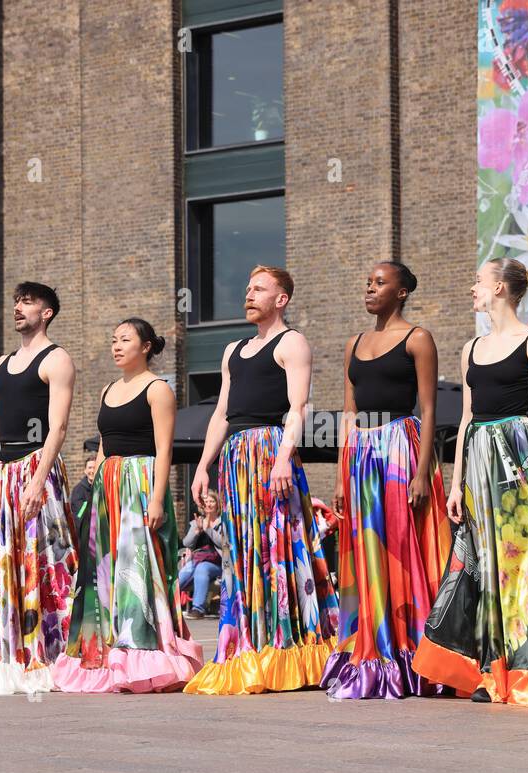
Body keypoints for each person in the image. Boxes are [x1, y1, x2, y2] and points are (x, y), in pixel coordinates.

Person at [412, 258, 528, 706]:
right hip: (479, 462)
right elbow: (467, 419)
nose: (472, 288)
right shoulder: (471, 348)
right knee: (486, 565)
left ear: (501, 289)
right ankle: (493, 671)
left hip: (517, 456)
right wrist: (455, 484)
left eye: (478, 281)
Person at [184, 265, 339, 694]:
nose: (248, 294)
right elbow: (221, 414)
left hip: (273, 452)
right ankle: (249, 644)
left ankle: (291, 647)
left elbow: (299, 406)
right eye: (247, 287)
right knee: (242, 550)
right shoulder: (233, 350)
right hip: (235, 457)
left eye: (259, 289)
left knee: (281, 546)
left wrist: (285, 456)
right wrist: (202, 465)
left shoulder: (292, 343)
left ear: (281, 299)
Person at [51, 318, 203, 693]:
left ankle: (143, 653)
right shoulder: (107, 389)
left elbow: (165, 448)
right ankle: (102, 652)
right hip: (107, 487)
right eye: (113, 339)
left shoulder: (157, 390)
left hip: (140, 482)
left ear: (146, 346)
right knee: (102, 571)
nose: (116, 346)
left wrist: (156, 498)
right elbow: (103, 446)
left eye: (125, 339)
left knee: (137, 569)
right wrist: (94, 489)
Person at [323, 260, 450, 699]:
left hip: (401, 448)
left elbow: (430, 410)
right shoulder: (354, 343)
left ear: (401, 292)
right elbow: (349, 412)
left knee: (403, 548)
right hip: (360, 455)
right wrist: (342, 473)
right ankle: (375, 646)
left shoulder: (418, 339)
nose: (370, 288)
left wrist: (422, 471)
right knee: (367, 549)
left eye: (380, 283)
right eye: (368, 282)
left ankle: (416, 649)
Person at [0, 281, 78, 695]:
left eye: (27, 303)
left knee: (46, 563)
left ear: (46, 313)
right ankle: (11, 656)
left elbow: (57, 427)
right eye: (16, 302)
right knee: (4, 566)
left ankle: (54, 654)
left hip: (36, 467)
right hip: (3, 473)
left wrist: (39, 480)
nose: (18, 308)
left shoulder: (56, 359)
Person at [179, 489, 225, 620]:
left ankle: (198, 609)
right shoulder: (196, 522)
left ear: (217, 504)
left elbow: (224, 544)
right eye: (206, 502)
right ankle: (163, 604)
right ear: (202, 505)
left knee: (202, 568)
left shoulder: (222, 522)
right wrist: (197, 531)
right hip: (197, 561)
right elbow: (186, 543)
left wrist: (208, 530)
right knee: (182, 576)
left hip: (218, 564)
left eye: (212, 501)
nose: (209, 504)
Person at [69, 454, 97, 523]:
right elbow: (79, 514)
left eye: (94, 468)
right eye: (90, 468)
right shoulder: (78, 490)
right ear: (85, 470)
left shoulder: (101, 487)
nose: (92, 471)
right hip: (86, 530)